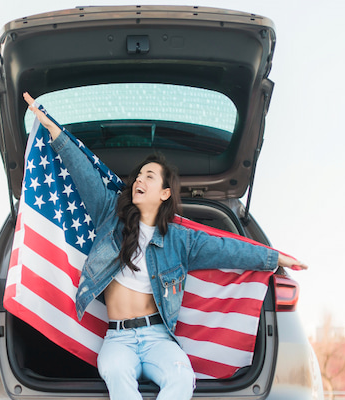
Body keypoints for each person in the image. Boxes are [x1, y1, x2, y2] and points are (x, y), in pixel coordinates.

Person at [23, 92, 307, 400]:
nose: (138, 181)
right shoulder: (109, 215)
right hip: (117, 339)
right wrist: (51, 127)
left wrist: (275, 258)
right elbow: (83, 172)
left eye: (149, 176)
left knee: (181, 377)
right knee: (117, 375)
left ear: (165, 193)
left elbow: (228, 249)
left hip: (158, 337)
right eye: (138, 176)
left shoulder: (180, 240)